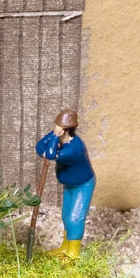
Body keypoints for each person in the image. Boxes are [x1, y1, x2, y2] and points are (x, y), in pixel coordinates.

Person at [35, 108, 95, 259]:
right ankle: (65, 247)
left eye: (59, 127)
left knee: (75, 218)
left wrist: (54, 138)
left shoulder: (74, 149)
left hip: (83, 185)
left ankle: (73, 254)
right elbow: (39, 146)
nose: (55, 129)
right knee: (66, 216)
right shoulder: (60, 138)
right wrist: (53, 140)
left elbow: (49, 154)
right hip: (69, 185)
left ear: (65, 130)